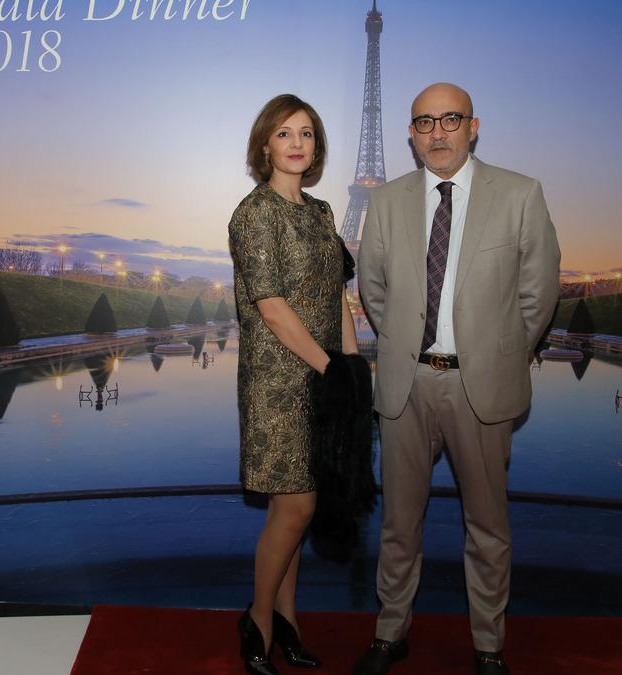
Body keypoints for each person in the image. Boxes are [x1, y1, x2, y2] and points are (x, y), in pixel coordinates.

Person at [354, 83, 561, 675]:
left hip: (480, 388)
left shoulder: (520, 194)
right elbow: (374, 290)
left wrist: (497, 355)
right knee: (399, 524)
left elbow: (538, 293)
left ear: (474, 126)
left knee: (488, 527)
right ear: (410, 135)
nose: (438, 132)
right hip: (408, 385)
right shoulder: (386, 202)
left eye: (450, 119)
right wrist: (406, 345)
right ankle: (391, 633)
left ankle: (489, 645)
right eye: (425, 122)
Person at [227, 94, 360, 675]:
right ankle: (258, 620)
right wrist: (332, 370)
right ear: (265, 145)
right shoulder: (253, 213)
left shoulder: (323, 212)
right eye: (284, 133)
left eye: (306, 133)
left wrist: (352, 367)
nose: (297, 143)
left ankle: (287, 620)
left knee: (294, 509)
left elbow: (337, 296)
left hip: (325, 378)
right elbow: (273, 308)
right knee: (298, 504)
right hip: (278, 382)